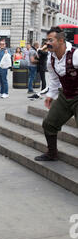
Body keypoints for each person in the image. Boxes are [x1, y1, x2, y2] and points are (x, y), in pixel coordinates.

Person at [35, 27, 78, 162]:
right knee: (49, 123)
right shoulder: (51, 59)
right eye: (47, 40)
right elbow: (54, 80)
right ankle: (52, 153)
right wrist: (50, 96)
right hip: (65, 95)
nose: (48, 43)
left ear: (61, 40)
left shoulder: (75, 54)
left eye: (51, 40)